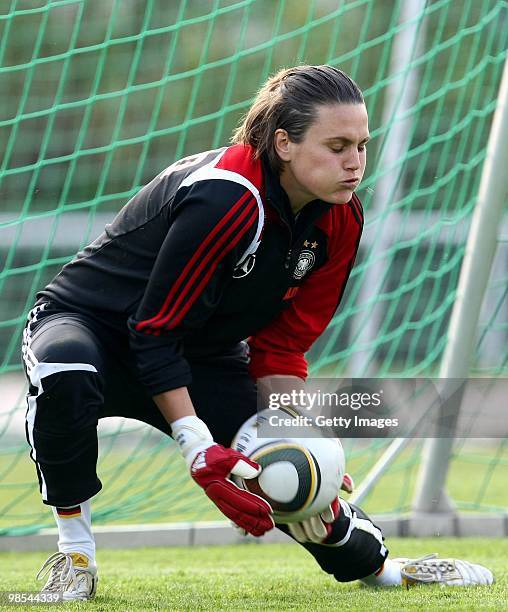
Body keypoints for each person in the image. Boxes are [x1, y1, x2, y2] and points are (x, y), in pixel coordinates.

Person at [22, 65, 493, 601]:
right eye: (337, 145)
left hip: (201, 355)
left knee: (296, 474)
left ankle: (385, 566)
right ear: (284, 144)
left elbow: (282, 346)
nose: (355, 162)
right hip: (91, 327)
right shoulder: (226, 196)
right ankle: (74, 557)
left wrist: (305, 440)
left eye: (362, 145)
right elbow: (152, 333)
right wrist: (196, 445)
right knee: (67, 370)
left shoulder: (341, 219)